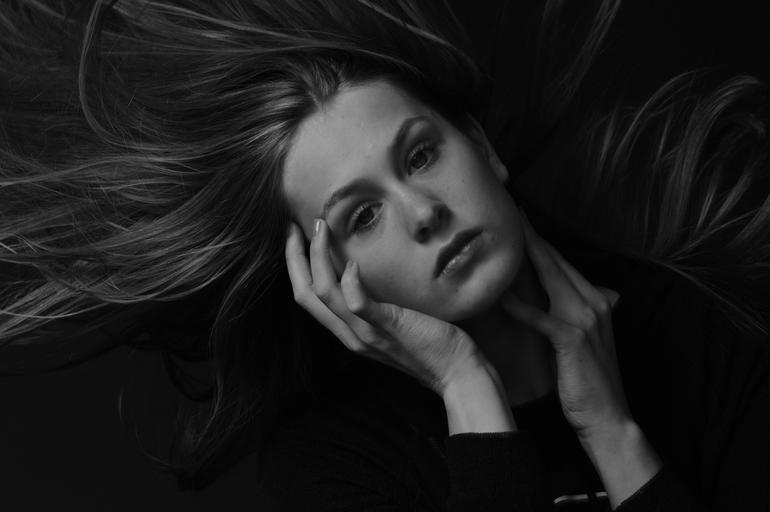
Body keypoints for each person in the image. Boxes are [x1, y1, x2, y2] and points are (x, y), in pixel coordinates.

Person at [0, 0, 768, 510]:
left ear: (482, 146)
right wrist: (467, 389)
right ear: (328, 279)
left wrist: (614, 434)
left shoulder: (687, 328)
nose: (424, 212)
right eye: (363, 216)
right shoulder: (337, 459)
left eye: (422, 155)